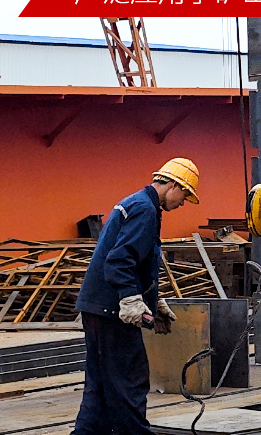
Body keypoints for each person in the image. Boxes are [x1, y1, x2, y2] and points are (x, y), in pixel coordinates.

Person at [73, 158, 201, 435]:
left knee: (100, 383)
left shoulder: (135, 203)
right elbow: (120, 261)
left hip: (97, 306)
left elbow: (136, 262)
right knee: (129, 379)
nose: (183, 203)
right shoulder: (145, 210)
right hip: (111, 310)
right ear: (173, 185)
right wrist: (130, 300)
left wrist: (152, 302)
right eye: (185, 196)